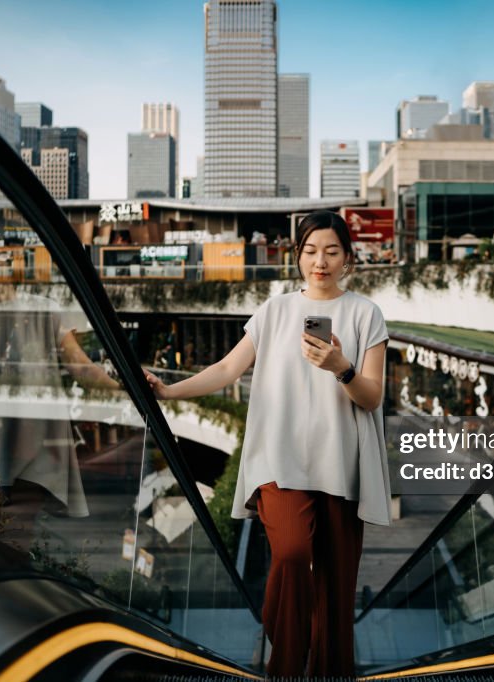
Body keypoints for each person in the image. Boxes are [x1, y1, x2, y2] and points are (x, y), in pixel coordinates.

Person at [144, 210, 390, 677]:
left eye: (332, 251)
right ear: (296, 255)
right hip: (281, 462)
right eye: (311, 251)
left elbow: (372, 397)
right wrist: (169, 391)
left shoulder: (365, 314)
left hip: (342, 465)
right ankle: (285, 664)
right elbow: (225, 370)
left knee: (336, 595)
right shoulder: (275, 311)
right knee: (294, 553)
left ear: (349, 258)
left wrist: (340, 365)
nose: (321, 261)